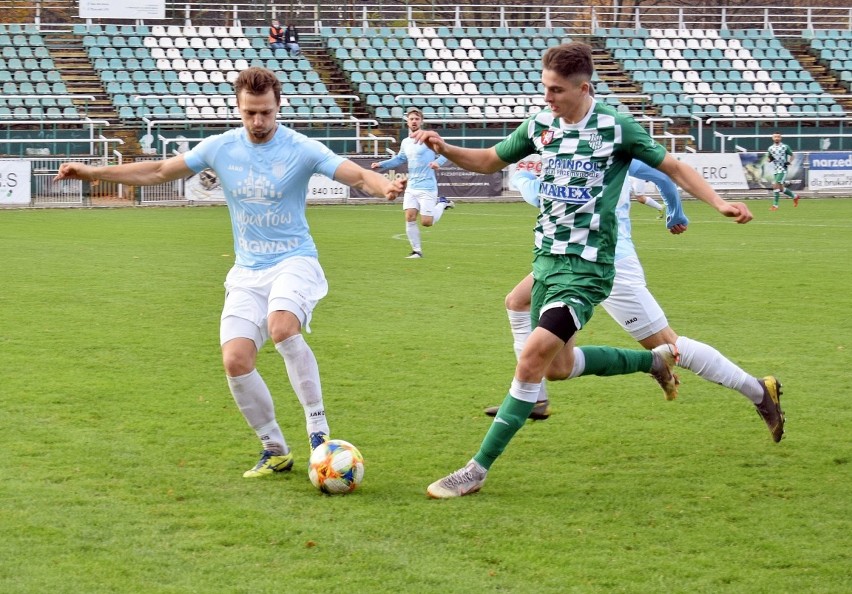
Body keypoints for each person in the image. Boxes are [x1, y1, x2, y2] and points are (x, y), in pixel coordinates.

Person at [412, 42, 757, 499]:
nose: (547, 97)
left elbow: (672, 166)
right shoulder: (541, 124)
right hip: (546, 261)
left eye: (555, 90)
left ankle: (476, 469)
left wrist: (718, 202)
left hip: (588, 267)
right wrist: (444, 145)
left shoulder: (616, 127)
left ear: (583, 87)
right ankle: (651, 362)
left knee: (532, 357)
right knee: (557, 367)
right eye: (544, 88)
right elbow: (490, 160)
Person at [54, 67, 405, 479]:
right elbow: (158, 171)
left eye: (266, 113)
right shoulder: (221, 147)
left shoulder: (301, 148)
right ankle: (274, 449)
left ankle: (318, 432)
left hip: (295, 260)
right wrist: (93, 173)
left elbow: (358, 174)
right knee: (236, 360)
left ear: (279, 107)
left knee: (281, 328)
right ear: (238, 108)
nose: (258, 122)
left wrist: (384, 187)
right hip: (247, 271)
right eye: (250, 113)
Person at [485, 162, 784, 445]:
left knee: (670, 345)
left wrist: (522, 179)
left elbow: (541, 197)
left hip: (608, 262)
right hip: (570, 258)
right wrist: (675, 213)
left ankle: (758, 391)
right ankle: (535, 395)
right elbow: (663, 176)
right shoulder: (591, 142)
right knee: (518, 302)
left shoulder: (602, 145)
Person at [372, 106, 455, 259]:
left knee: (426, 222)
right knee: (409, 217)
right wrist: (381, 164)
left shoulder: (429, 139)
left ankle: (442, 203)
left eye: (417, 119)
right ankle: (417, 251)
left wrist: (438, 163)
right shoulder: (405, 142)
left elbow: (446, 153)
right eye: (411, 119)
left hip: (427, 186)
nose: (414, 121)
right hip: (412, 186)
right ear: (407, 122)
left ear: (421, 121)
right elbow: (399, 159)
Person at [766, 132, 800, 211]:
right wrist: (769, 160)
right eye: (775, 137)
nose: (777, 138)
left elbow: (792, 155)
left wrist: (789, 162)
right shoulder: (770, 148)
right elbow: (769, 158)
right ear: (772, 138)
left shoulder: (785, 147)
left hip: (782, 169)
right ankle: (795, 197)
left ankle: (775, 205)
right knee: (781, 188)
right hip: (776, 169)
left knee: (775, 185)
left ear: (781, 138)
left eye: (778, 137)